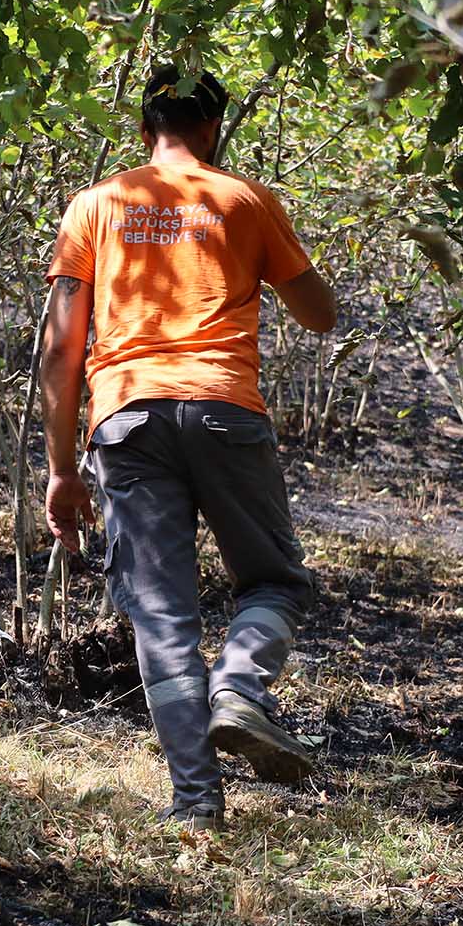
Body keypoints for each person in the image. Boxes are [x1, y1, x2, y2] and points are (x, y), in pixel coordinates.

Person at [40, 65, 338, 831]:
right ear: (212, 129)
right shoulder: (243, 199)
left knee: (162, 618)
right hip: (223, 409)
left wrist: (62, 468)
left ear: (145, 128)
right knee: (273, 582)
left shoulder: (95, 205)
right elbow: (320, 314)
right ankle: (239, 688)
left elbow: (60, 348)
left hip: (126, 418)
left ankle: (197, 806)